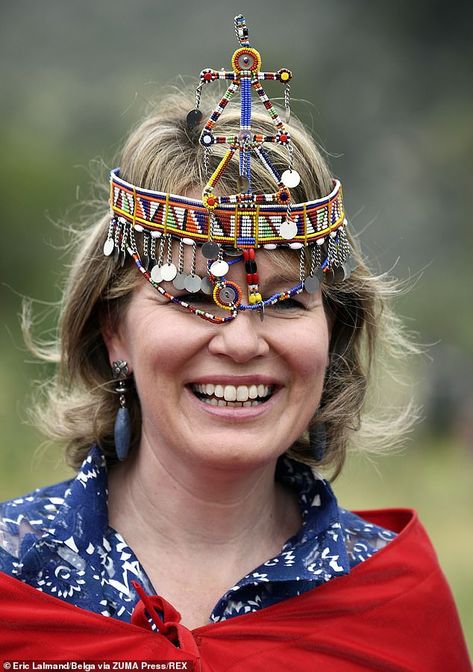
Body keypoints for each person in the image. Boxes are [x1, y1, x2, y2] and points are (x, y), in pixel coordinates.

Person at [0, 15, 470, 670]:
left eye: (284, 300)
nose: (243, 341)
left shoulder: (392, 603)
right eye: (193, 297)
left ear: (332, 330)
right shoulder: (12, 582)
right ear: (113, 332)